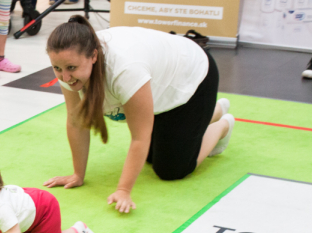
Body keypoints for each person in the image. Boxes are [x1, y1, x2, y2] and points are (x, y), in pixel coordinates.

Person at [43, 16, 235, 214]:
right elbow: (77, 122)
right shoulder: (70, 63)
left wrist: (123, 190)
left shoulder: (125, 69)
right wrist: (77, 174)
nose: (65, 77)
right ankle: (210, 112)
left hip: (192, 78)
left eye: (71, 69)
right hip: (158, 89)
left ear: (93, 56)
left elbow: (140, 136)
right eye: (57, 68)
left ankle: (221, 124)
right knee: (151, 157)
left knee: (171, 169)